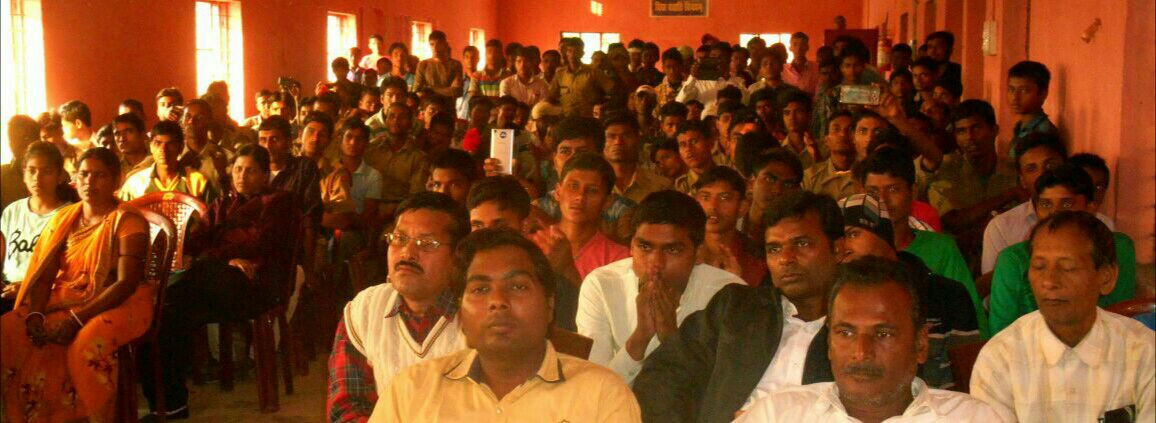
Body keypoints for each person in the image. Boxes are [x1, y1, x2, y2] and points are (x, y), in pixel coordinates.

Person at [370, 228, 641, 422]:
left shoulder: (600, 394)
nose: (498, 301)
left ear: (549, 306)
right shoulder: (413, 390)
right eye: (480, 289)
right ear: (461, 315)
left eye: (518, 286)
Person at [633, 191, 844, 423]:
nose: (786, 258)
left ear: (838, 249)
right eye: (774, 249)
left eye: (801, 244)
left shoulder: (859, 328)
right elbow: (663, 374)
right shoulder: (737, 309)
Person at [736, 257, 1001, 422]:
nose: (861, 352)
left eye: (883, 334)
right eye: (846, 333)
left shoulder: (972, 418)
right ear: (828, 343)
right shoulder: (776, 415)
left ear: (920, 344)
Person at [140, 145, 299, 419]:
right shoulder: (224, 202)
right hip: (217, 279)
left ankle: (172, 401)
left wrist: (213, 258)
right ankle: (169, 402)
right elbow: (199, 237)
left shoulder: (279, 202)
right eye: (238, 169)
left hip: (257, 284)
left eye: (250, 171)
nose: (242, 176)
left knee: (178, 298)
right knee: (164, 311)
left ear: (265, 175)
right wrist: (201, 255)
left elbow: (258, 243)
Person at [1, 147, 153, 422]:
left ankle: (96, 416)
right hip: (68, 297)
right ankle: (39, 415)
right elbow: (44, 274)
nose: (89, 182)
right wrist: (36, 312)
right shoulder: (65, 218)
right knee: (11, 328)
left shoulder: (127, 221)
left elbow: (126, 283)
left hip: (121, 303)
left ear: (116, 181)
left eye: (99, 176)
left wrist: (75, 319)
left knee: (85, 343)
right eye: (83, 174)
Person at [972, 211, 1154, 422]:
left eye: (1067, 268)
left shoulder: (1143, 352)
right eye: (1039, 267)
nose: (1049, 281)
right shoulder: (1000, 359)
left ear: (1106, 277)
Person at [324, 192, 471, 422]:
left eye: (427, 243)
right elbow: (346, 406)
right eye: (399, 239)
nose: (407, 253)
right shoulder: (365, 310)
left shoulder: (478, 316)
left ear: (458, 256)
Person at [578, 191, 744, 383]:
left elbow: (723, 392)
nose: (656, 262)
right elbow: (593, 387)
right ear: (631, 247)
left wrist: (672, 340)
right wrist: (640, 338)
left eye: (672, 250)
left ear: (698, 253)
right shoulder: (602, 284)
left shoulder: (728, 294)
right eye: (645, 247)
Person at [834, 194, 980, 389]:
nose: (843, 247)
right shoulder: (833, 299)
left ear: (884, 236)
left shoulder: (946, 294)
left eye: (852, 234)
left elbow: (969, 378)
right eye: (836, 240)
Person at [989, 164, 1136, 335]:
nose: (1055, 213)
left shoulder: (1118, 248)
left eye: (1066, 204)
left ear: (1091, 207)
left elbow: (1120, 316)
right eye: (1045, 204)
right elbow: (1002, 333)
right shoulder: (1013, 260)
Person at [856, 148, 986, 336]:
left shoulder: (942, 248)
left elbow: (971, 317)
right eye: (873, 191)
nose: (882, 200)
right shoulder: (852, 250)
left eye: (893, 189)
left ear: (913, 191)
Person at [979, 134, 1114, 274]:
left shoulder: (1102, 225)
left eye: (1050, 165)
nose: (1042, 173)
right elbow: (991, 290)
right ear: (1022, 180)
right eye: (1031, 168)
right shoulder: (1002, 227)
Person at [531, 153, 631, 284]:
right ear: (558, 192)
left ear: (608, 202)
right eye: (573, 186)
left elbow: (606, 304)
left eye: (592, 190)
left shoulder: (618, 257)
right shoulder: (532, 244)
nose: (580, 196)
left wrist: (567, 268)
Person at [1, 142, 74, 312]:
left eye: (46, 172)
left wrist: (28, 287)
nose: (37, 178)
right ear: (24, 173)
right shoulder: (13, 211)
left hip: (46, 295)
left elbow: (70, 269)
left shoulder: (69, 215)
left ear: (59, 175)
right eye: (32, 170)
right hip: (7, 291)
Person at [693, 167, 767, 286]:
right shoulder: (683, 249)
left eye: (724, 198)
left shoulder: (755, 258)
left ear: (742, 207)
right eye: (706, 197)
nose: (713, 206)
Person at [119, 121, 219, 204]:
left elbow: (212, 219)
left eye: (170, 144)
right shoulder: (135, 183)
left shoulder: (197, 181)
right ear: (151, 147)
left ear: (180, 148)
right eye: (158, 143)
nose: (163, 149)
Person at [604, 113, 671, 204]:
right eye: (611, 136)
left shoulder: (660, 187)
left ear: (637, 138)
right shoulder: (592, 186)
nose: (618, 142)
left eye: (626, 136)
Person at [742, 148, 804, 244]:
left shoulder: (798, 236)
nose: (777, 190)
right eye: (769, 179)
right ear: (751, 182)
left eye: (788, 185)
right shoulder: (729, 224)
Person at [548, 37, 615, 117]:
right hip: (566, 119)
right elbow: (551, 97)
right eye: (570, 51)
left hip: (588, 119)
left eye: (576, 51)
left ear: (582, 53)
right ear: (566, 53)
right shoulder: (560, 74)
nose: (572, 55)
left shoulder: (593, 72)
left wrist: (602, 107)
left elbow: (614, 93)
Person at [802, 111, 859, 200]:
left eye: (849, 130)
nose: (842, 134)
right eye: (836, 129)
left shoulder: (866, 175)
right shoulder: (810, 177)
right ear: (826, 139)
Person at [1007, 61, 1058, 158]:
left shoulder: (1043, 132)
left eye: (1024, 91)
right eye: (1011, 89)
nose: (1015, 97)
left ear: (1043, 94)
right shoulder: (1021, 126)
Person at [2, 115, 40, 210]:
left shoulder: (54, 173)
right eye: (12, 139)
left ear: (37, 140)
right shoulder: (2, 175)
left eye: (24, 138)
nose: (15, 144)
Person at [414, 30, 465, 99]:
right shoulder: (423, 65)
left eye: (439, 44)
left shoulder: (455, 65)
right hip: (428, 106)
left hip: (448, 107)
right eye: (432, 44)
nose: (435, 48)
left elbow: (456, 91)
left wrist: (430, 90)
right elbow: (417, 91)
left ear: (445, 44)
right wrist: (446, 90)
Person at [672, 120, 717, 195]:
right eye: (683, 145)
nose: (688, 149)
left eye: (694, 141)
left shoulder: (729, 177)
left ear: (710, 143)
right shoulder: (679, 188)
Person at [112, 113, 154, 178]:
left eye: (128, 132)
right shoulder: (116, 170)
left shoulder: (158, 160)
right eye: (117, 134)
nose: (122, 138)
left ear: (142, 134)